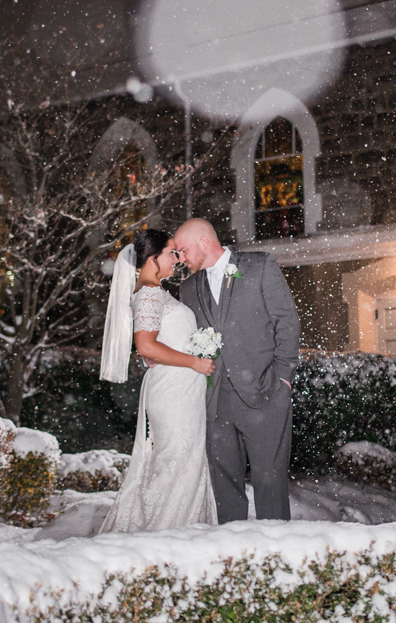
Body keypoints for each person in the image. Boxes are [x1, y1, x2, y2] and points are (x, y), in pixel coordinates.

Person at [174, 218, 300, 523]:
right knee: (224, 488)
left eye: (182, 250)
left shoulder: (259, 266)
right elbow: (181, 338)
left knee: (270, 485)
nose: (180, 258)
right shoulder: (188, 288)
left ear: (203, 242)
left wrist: (282, 379)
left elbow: (287, 322)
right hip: (215, 403)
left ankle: (277, 557)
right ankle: (234, 558)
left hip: (266, 394)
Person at [98, 229, 217, 533]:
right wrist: (194, 361)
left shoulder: (154, 291)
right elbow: (147, 346)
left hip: (180, 390)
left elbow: (157, 344)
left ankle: (178, 532)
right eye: (171, 253)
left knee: (183, 461)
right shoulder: (150, 292)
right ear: (153, 258)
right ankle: (165, 536)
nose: (177, 259)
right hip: (173, 392)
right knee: (177, 463)